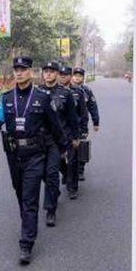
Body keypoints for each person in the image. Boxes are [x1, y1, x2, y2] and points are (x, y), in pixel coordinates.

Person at [0, 56, 66, 264]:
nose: (19, 72)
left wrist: (63, 148)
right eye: (16, 69)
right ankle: (28, 223)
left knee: (30, 198)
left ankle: (26, 243)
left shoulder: (42, 97)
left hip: (35, 155)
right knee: (20, 193)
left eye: (23, 69)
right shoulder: (6, 98)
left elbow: (55, 126)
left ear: (31, 71)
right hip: (14, 154)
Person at [38, 60, 80, 227]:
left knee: (52, 174)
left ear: (57, 74)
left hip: (58, 140)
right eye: (45, 71)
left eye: (51, 71)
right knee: (43, 174)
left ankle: (51, 210)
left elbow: (72, 117)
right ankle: (56, 188)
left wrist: (76, 137)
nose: (48, 74)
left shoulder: (65, 93)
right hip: (39, 141)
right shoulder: (36, 92)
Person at [58, 65, 87, 198]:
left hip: (73, 131)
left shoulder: (77, 92)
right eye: (61, 74)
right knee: (58, 160)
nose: (62, 77)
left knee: (72, 160)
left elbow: (83, 112)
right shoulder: (54, 91)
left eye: (65, 75)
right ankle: (65, 173)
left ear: (70, 76)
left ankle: (72, 188)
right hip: (58, 131)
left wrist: (83, 131)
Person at [72, 67, 100, 181]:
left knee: (81, 147)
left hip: (81, 124)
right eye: (75, 75)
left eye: (80, 76)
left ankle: (80, 170)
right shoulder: (67, 89)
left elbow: (93, 107)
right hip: (68, 125)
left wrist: (96, 122)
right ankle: (68, 171)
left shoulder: (87, 91)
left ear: (83, 78)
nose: (77, 78)